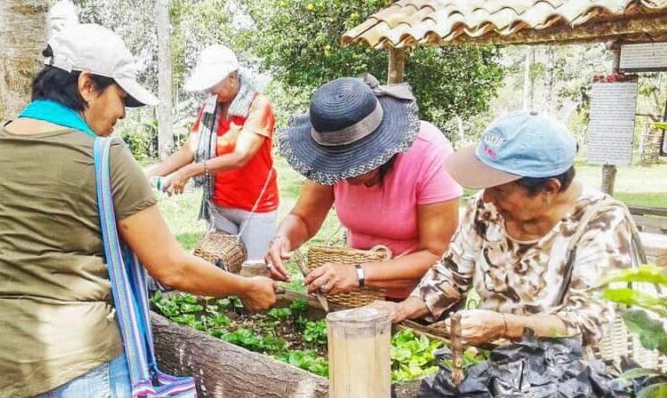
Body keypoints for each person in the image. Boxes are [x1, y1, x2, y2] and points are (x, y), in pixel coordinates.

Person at [0, 24, 275, 398]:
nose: (124, 114)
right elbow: (171, 269)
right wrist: (246, 287)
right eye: (122, 99)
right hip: (77, 363)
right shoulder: (103, 155)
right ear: (86, 84)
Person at [379, 111, 637, 346]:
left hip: (571, 377)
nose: (488, 197)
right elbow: (451, 274)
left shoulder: (602, 222)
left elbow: (587, 324)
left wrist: (503, 326)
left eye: (500, 189)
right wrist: (402, 309)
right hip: (496, 364)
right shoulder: (486, 206)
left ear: (549, 189)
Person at [265, 75, 462, 300]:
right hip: (357, 296)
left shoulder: (429, 152)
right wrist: (282, 238)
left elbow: (436, 253)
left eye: (353, 163)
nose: (344, 174)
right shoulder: (330, 157)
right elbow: (303, 218)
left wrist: (359, 273)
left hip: (421, 299)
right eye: (338, 164)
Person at [147, 44, 279, 260]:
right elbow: (189, 149)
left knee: (254, 275)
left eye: (213, 83)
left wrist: (189, 172)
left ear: (232, 77)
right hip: (220, 205)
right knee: (221, 273)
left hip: (255, 208)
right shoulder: (210, 108)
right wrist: (150, 175)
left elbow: (240, 157)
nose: (209, 90)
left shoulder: (258, 106)